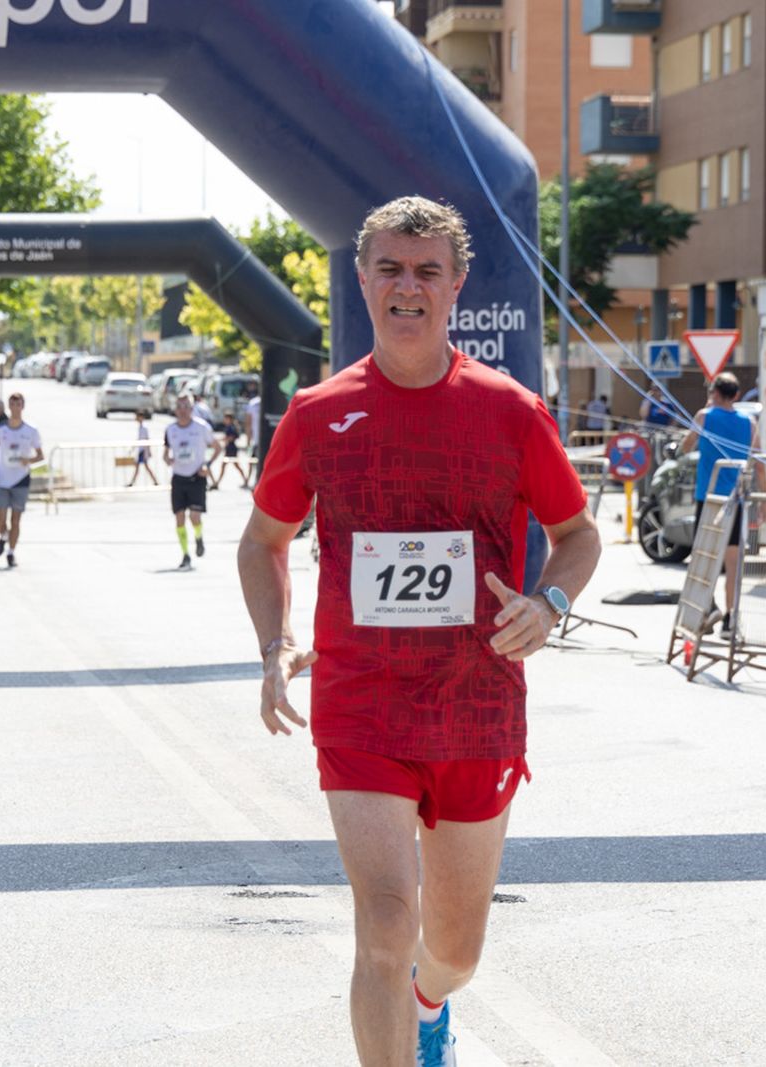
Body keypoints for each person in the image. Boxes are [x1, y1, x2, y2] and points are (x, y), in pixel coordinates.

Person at [238, 196, 600, 1067]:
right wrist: (274, 643)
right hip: (361, 704)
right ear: (362, 280)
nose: (408, 287)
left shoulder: (511, 411)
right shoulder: (319, 414)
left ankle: (429, 1001)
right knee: (385, 924)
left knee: (454, 949)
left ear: (455, 286)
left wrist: (547, 605)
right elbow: (264, 542)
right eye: (391, 269)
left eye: (426, 270)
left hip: (476, 707)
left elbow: (578, 535)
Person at [680, 371, 763, 636]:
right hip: (736, 499)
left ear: (714, 392)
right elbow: (758, 463)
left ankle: (708, 607)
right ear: (737, 395)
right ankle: (731, 619)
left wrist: (705, 409)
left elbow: (685, 447)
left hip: (709, 496)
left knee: (705, 557)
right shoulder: (749, 422)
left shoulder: (704, 417)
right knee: (732, 562)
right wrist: (765, 502)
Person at [164, 392, 220, 569]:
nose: (182, 411)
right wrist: (168, 459)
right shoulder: (170, 430)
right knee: (179, 518)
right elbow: (165, 454)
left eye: (186, 407)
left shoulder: (201, 427)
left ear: (192, 408)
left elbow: (217, 447)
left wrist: (208, 465)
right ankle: (185, 554)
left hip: (197, 477)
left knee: (194, 517)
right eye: (179, 407)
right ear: (175, 409)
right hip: (178, 478)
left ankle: (198, 536)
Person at [0, 392, 43, 569]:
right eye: (12, 404)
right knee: (0, 520)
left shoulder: (31, 430)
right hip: (2, 478)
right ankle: (4, 536)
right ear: (9, 406)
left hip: (21, 479)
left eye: (18, 404)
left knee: (16, 520)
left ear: (23, 407)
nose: (15, 408)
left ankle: (11, 552)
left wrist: (29, 461)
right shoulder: (1, 428)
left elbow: (40, 455)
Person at [212, 410, 249, 490]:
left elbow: (232, 437)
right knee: (228, 466)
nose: (224, 420)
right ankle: (217, 482)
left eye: (226, 418)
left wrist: (224, 439)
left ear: (229, 419)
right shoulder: (229, 427)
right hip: (229, 448)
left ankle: (217, 482)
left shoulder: (232, 427)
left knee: (232, 465)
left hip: (231, 449)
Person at [128, 410, 159, 488]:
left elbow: (147, 439)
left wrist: (148, 451)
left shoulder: (144, 428)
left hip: (143, 450)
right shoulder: (140, 428)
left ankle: (154, 481)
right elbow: (139, 439)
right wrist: (133, 448)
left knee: (142, 467)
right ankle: (154, 481)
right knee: (139, 467)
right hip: (140, 449)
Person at [244, 386, 262, 487]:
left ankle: (254, 480)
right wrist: (248, 440)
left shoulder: (253, 403)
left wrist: (248, 440)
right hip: (257, 440)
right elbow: (248, 423)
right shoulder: (253, 403)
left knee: (254, 462)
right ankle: (249, 479)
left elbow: (248, 423)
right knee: (252, 461)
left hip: (258, 440)